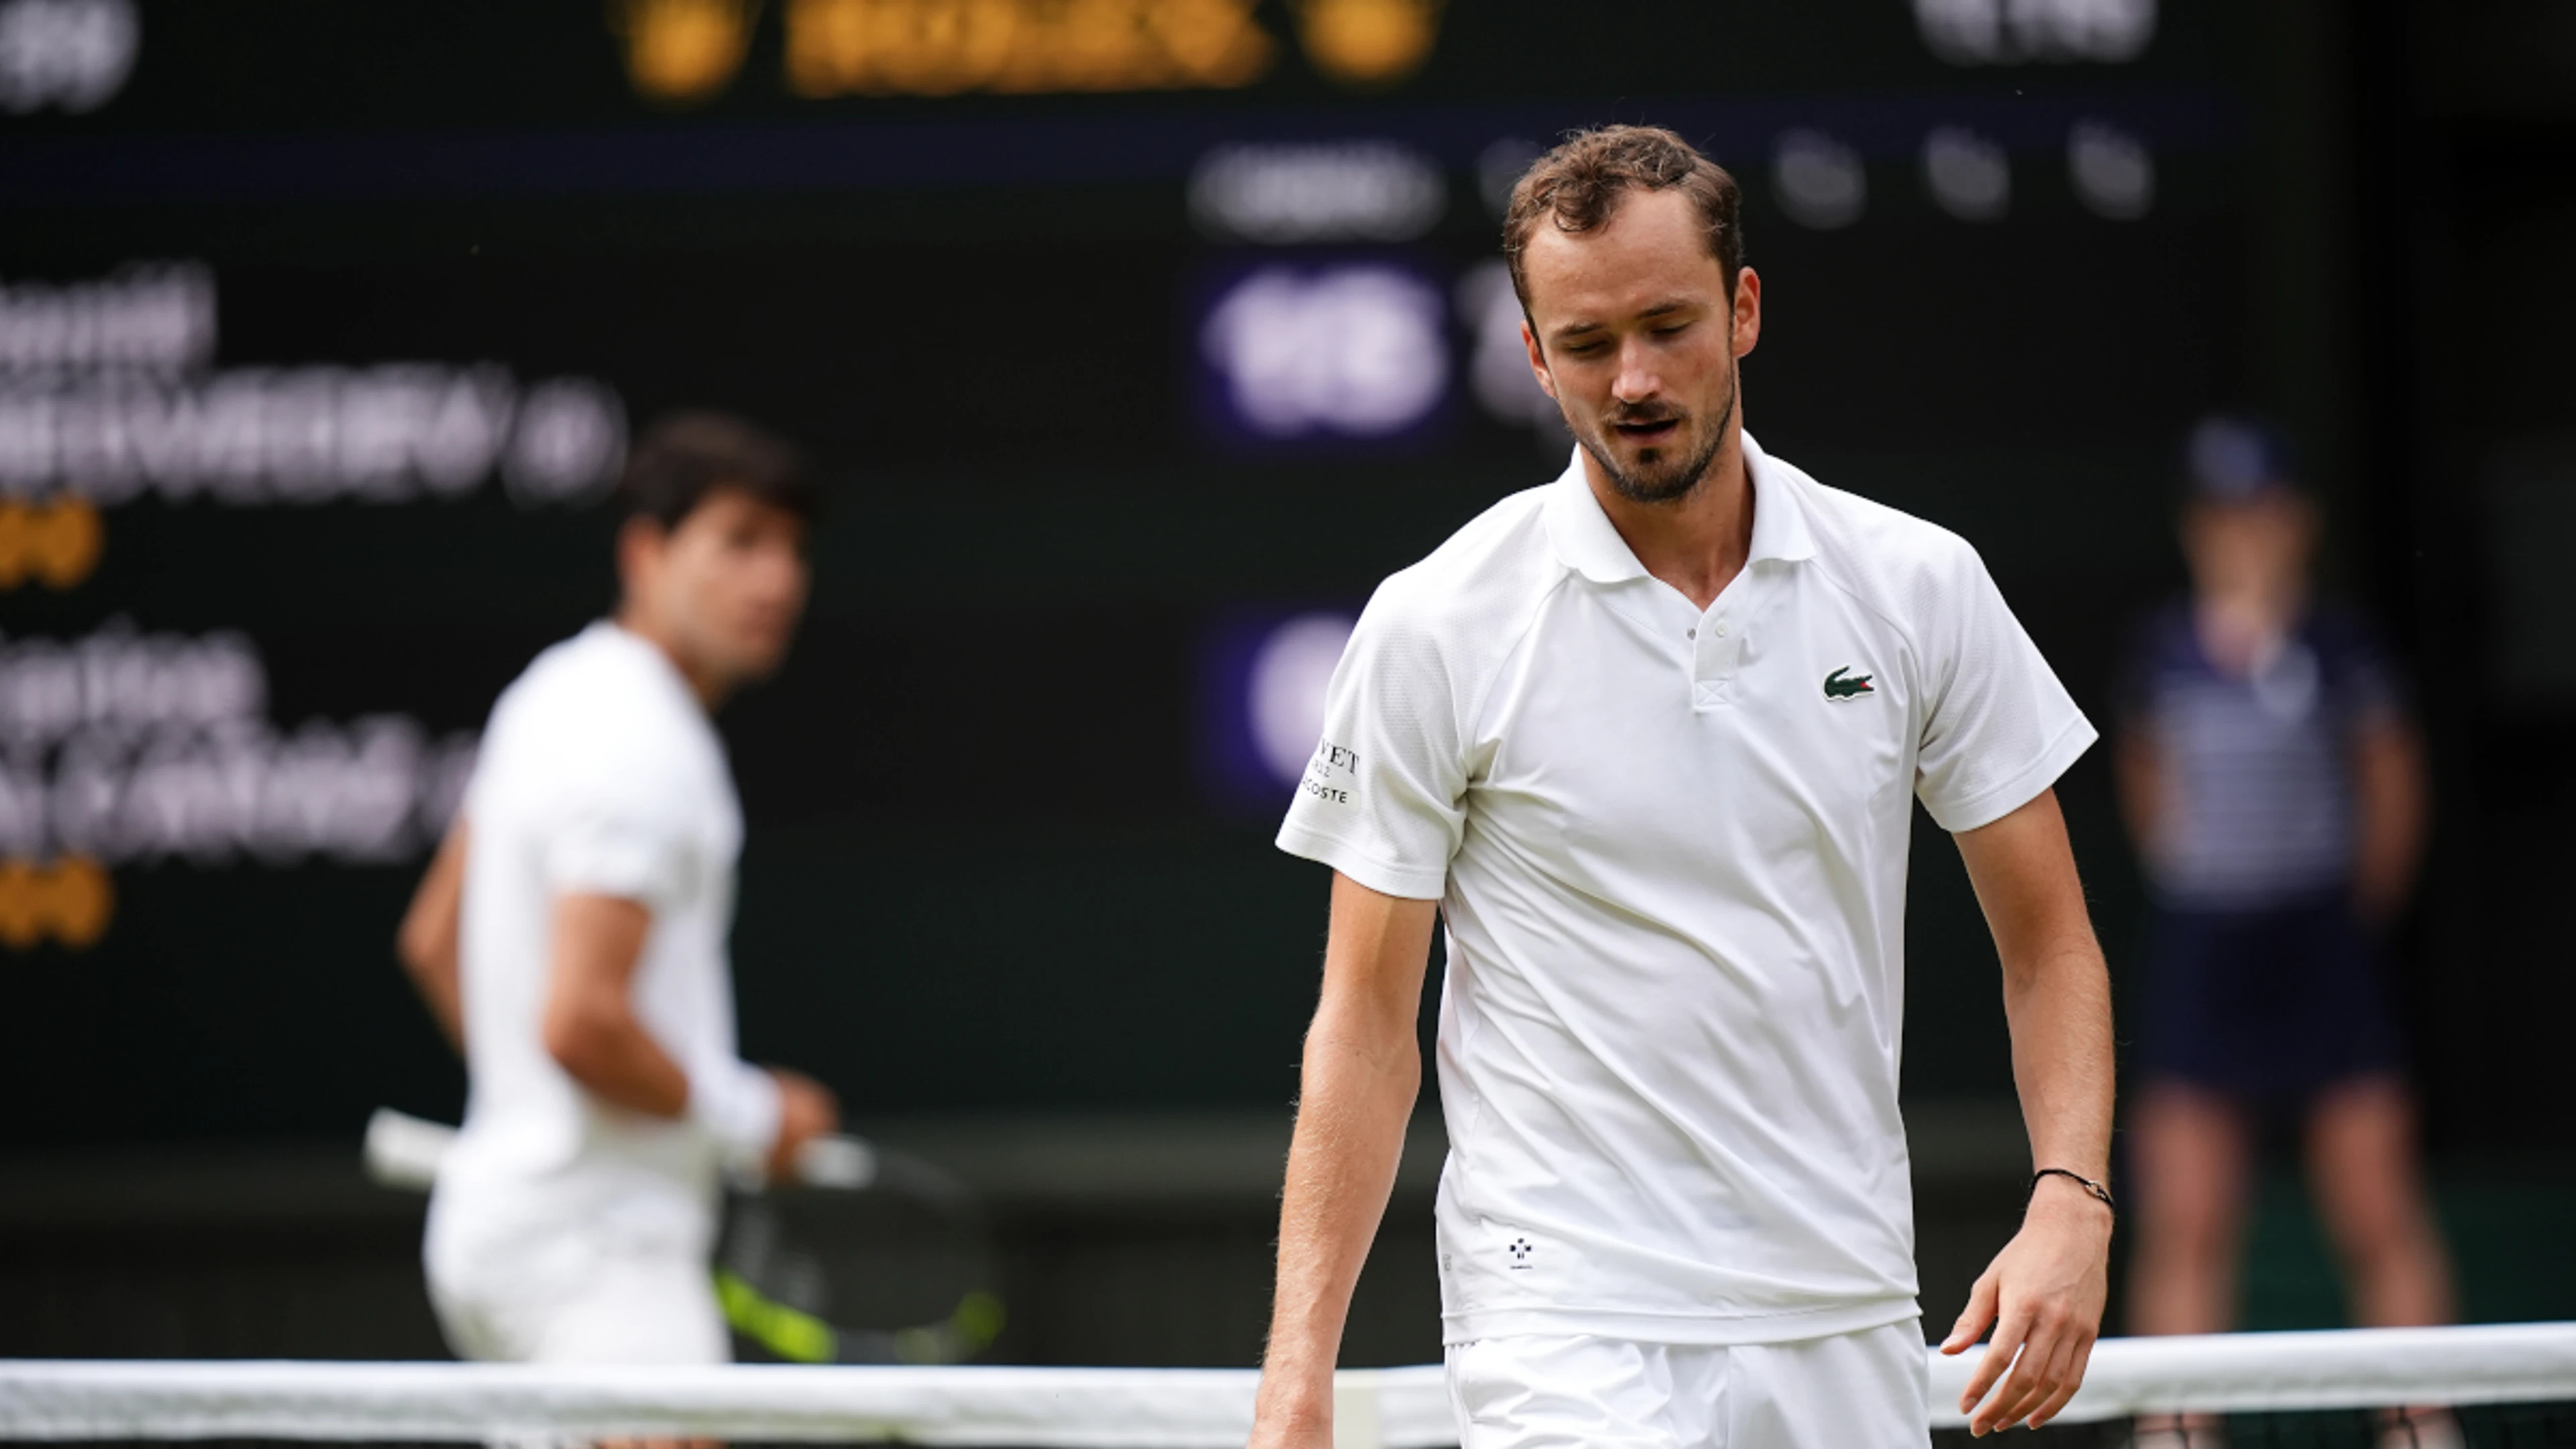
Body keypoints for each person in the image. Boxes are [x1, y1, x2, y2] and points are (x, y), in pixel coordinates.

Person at [1248, 125, 2116, 1449]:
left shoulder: (1917, 585)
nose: (1635, 379)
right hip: (1562, 1322)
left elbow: (2050, 942)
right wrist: (1296, 1375)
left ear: (1745, 310)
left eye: (1669, 326)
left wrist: (2073, 1196)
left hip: (1843, 1307)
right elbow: (1365, 1030)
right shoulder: (1439, 623)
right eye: (1587, 344)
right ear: (1534, 356)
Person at [395, 412, 840, 1364]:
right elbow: (580, 1022)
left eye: (792, 549)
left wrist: (534, 1127)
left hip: (501, 1239)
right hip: (598, 1264)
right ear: (646, 551)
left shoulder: (550, 693)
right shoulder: (643, 744)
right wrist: (752, 1115)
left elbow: (434, 942)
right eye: (740, 542)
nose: (777, 580)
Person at [2116, 420, 2455, 1445]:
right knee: (2186, 1216)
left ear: (2297, 523)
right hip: (2206, 957)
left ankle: (2422, 1427)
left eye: (2259, 514)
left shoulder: (2342, 649)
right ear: (2195, 530)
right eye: (2221, 518)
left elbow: (2394, 795)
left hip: (2323, 956)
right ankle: (2176, 1433)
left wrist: (2334, 918)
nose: (2242, 537)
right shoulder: (2161, 655)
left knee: (2377, 1208)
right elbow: (2147, 791)